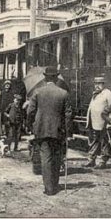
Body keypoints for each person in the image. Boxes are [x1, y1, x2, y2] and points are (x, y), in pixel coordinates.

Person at [27, 66, 73, 196]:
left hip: (41, 130)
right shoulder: (63, 93)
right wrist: (68, 132)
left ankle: (49, 188)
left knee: (46, 158)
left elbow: (30, 111)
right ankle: (55, 184)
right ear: (56, 78)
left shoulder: (37, 92)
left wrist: (30, 125)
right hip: (58, 130)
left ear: (45, 77)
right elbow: (68, 114)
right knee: (57, 157)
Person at [84, 76, 111, 168]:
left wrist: (110, 121)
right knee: (94, 141)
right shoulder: (95, 94)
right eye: (96, 84)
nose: (97, 86)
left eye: (99, 84)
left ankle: (102, 162)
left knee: (104, 142)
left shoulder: (108, 94)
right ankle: (91, 160)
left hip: (103, 123)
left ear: (103, 84)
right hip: (93, 122)